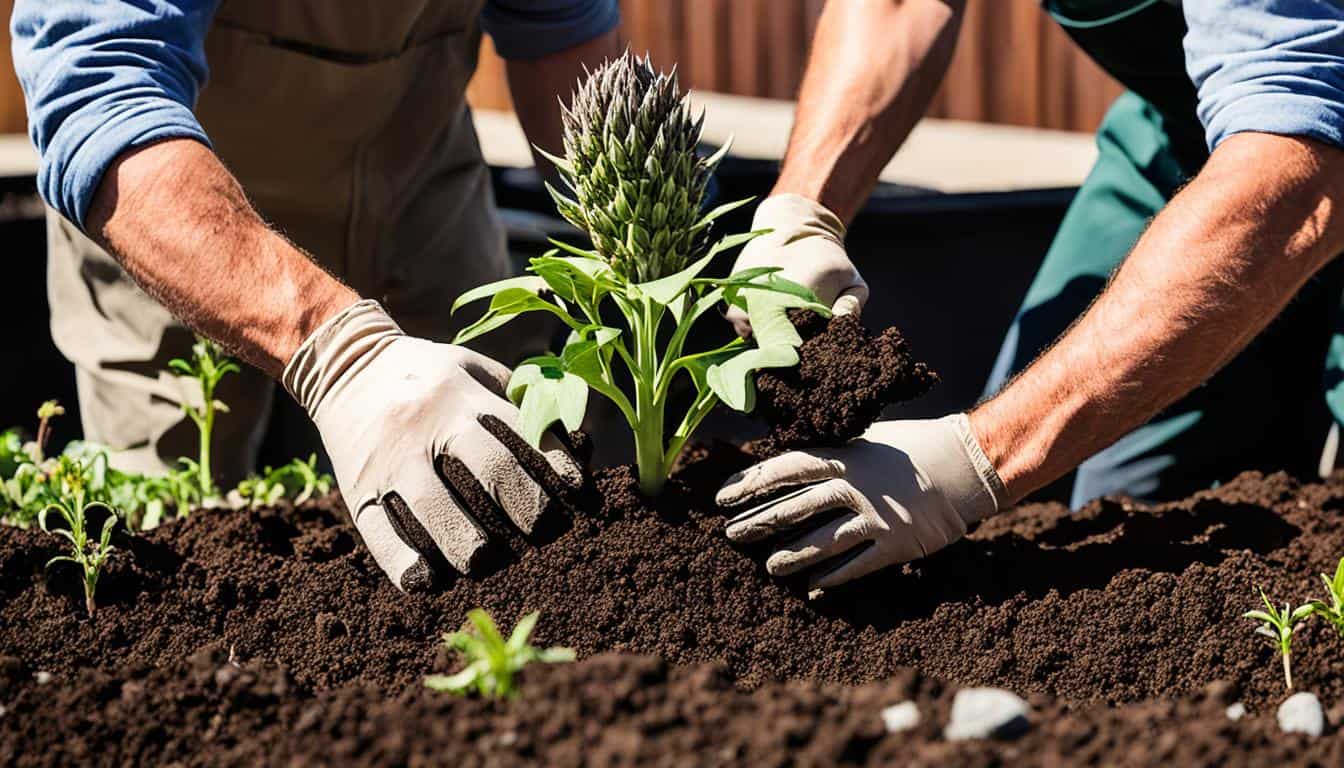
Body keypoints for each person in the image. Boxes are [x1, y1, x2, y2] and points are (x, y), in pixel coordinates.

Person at [719, 0, 1344, 591]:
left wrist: (974, 461)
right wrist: (803, 213)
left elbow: (1296, 171)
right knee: (1105, 509)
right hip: (1197, 129)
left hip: (1292, 153)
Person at [11, 0, 623, 591]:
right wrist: (344, 355)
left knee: (509, 478)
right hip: (178, 219)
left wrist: (670, 261)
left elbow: (562, 43)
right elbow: (95, 89)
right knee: (175, 540)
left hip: (416, 195)